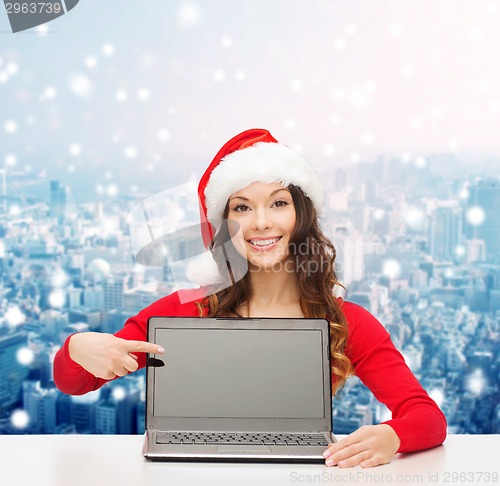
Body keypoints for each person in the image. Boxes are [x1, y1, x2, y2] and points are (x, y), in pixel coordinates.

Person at [53, 128, 447, 468]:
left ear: (301, 217)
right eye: (242, 207)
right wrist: (76, 349)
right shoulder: (185, 311)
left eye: (278, 203)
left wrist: (392, 436)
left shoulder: (347, 323)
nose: (261, 222)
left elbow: (426, 416)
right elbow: (75, 381)